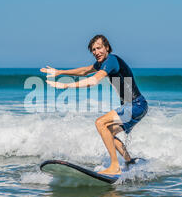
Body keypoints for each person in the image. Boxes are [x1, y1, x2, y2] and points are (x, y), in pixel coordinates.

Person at [40, 35, 148, 176]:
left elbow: (93, 80)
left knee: (100, 123)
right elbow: (85, 71)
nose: (96, 52)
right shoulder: (103, 63)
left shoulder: (111, 61)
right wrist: (60, 72)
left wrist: (65, 85)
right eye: (93, 50)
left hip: (136, 104)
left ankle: (115, 166)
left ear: (107, 47)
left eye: (99, 48)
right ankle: (130, 162)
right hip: (135, 106)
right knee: (108, 132)